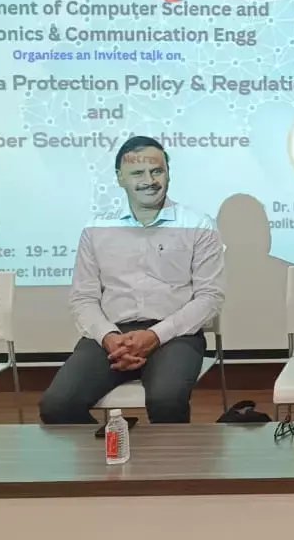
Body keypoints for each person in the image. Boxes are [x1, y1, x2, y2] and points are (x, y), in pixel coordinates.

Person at [38, 136, 225, 424]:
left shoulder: (199, 225)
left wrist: (154, 336)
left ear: (168, 173)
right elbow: (84, 298)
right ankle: (113, 447)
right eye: (137, 173)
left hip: (175, 335)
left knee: (166, 399)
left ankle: (166, 456)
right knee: (57, 405)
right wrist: (109, 337)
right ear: (120, 178)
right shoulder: (97, 229)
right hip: (111, 336)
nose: (149, 181)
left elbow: (209, 298)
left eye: (157, 171)